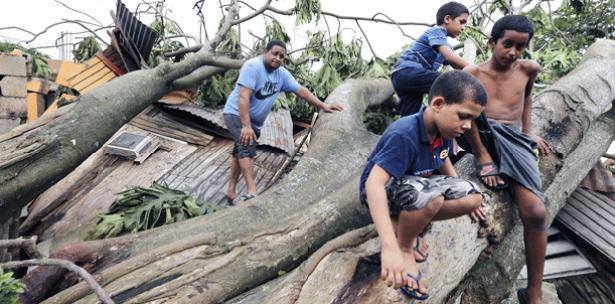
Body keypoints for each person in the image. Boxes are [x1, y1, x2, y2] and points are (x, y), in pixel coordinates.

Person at [360, 71, 487, 300]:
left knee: (474, 197)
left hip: (415, 189)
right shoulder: (405, 133)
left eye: (472, 120)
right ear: (438, 104)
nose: (468, 126)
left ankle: (407, 221)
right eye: (464, 116)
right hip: (385, 191)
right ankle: (405, 245)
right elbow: (373, 184)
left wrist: (463, 191)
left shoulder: (445, 129)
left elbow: (443, 157)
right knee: (432, 198)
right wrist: (389, 246)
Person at [462, 15, 551, 304]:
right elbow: (469, 118)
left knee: (536, 213)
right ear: (492, 43)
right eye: (507, 44)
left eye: (520, 46)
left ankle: (534, 292)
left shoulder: (529, 69)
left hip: (514, 140)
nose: (513, 52)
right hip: (482, 134)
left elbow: (526, 98)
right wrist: (483, 157)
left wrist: (528, 134)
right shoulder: (472, 73)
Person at [223, 40, 343, 202]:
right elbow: (243, 96)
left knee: (240, 151)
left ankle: (231, 190)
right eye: (275, 54)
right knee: (246, 148)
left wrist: (323, 106)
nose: (278, 58)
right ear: (265, 52)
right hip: (237, 114)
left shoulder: (282, 74)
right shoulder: (253, 67)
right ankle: (252, 192)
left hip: (254, 122)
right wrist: (245, 126)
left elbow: (301, 91)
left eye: (282, 56)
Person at [391, 1, 472, 117]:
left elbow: (457, 65)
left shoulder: (445, 46)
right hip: (408, 71)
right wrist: (477, 70)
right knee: (451, 82)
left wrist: (469, 70)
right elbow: (450, 57)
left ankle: (402, 131)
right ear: (448, 19)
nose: (463, 28)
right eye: (462, 22)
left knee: (410, 118)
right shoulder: (436, 30)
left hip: (401, 78)